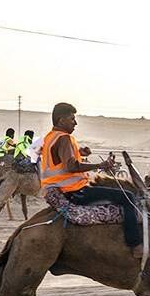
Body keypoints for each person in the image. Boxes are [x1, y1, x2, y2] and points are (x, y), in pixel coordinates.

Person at [40, 102, 144, 258]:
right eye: (72, 119)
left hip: (58, 188)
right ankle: (136, 245)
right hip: (74, 191)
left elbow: (59, 160)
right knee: (128, 197)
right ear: (61, 120)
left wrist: (80, 153)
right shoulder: (64, 138)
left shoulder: (50, 137)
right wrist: (100, 164)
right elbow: (71, 166)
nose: (75, 122)